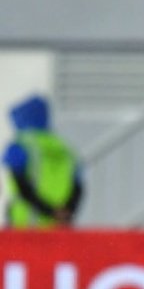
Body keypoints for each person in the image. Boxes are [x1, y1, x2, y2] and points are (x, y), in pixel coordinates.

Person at [3, 94, 84, 228]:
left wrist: (49, 211)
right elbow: (78, 187)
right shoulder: (65, 148)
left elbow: (21, 185)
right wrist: (66, 212)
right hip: (58, 228)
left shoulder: (20, 145)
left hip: (24, 226)